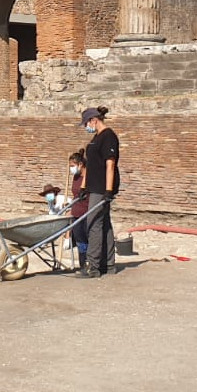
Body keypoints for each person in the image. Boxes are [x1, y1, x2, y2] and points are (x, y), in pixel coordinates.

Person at [80, 105, 118, 278]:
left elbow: (110, 164)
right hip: (93, 186)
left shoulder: (108, 136)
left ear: (93, 120)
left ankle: (93, 266)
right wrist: (83, 186)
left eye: (86, 123)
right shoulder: (96, 137)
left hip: (102, 187)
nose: (85, 127)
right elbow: (89, 165)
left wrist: (108, 190)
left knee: (93, 223)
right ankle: (108, 264)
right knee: (105, 224)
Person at [67, 148, 89, 264]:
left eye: (72, 165)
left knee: (87, 239)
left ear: (80, 164)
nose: (71, 168)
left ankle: (90, 262)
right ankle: (82, 264)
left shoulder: (88, 177)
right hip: (76, 213)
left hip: (86, 212)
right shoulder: (76, 177)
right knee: (80, 241)